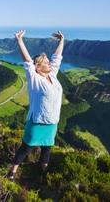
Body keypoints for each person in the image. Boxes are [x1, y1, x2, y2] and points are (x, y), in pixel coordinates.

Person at [7, 29, 65, 182]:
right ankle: (12, 172)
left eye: (48, 62)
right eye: (45, 63)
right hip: (37, 120)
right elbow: (27, 61)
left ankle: (43, 171)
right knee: (26, 148)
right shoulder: (35, 79)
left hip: (52, 121)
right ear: (38, 67)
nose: (49, 64)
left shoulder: (52, 75)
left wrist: (61, 41)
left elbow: (57, 58)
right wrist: (19, 41)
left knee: (47, 149)